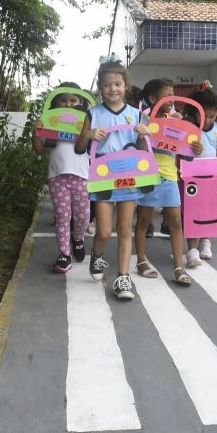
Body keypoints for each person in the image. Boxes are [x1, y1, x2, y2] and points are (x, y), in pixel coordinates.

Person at [74, 61, 149, 300]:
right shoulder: (93, 113)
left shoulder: (136, 114)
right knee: (105, 231)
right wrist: (88, 134)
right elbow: (78, 148)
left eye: (117, 84)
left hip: (129, 175)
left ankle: (123, 277)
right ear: (100, 87)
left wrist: (144, 135)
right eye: (107, 85)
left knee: (125, 229)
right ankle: (97, 256)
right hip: (103, 176)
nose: (112, 89)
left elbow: (145, 150)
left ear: (126, 86)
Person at [134, 79, 202, 285]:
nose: (172, 100)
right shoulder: (144, 119)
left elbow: (186, 153)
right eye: (167, 96)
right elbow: (140, 150)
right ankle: (141, 261)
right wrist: (144, 134)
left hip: (170, 176)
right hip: (148, 175)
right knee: (144, 222)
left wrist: (194, 149)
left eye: (173, 95)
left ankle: (178, 267)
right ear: (153, 99)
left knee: (175, 220)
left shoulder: (177, 120)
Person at [31, 82, 90, 273]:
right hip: (57, 177)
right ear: (56, 104)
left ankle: (78, 239)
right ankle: (64, 254)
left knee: (83, 216)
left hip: (82, 177)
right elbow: (39, 150)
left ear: (81, 103)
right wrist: (36, 132)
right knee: (63, 217)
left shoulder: (87, 124)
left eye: (73, 100)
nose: (68, 104)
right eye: (63, 100)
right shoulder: (51, 122)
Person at [184, 86, 217, 265]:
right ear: (196, 112)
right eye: (204, 116)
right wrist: (189, 148)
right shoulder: (188, 128)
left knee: (209, 210)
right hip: (192, 177)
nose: (208, 120)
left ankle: (206, 241)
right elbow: (179, 152)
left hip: (213, 176)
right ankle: (192, 250)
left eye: (212, 116)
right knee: (192, 212)